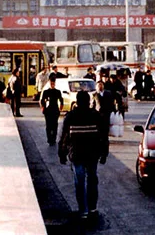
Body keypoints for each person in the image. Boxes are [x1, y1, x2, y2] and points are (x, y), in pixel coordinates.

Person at [58, 90, 109, 221]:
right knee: (92, 180)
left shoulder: (70, 116)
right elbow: (104, 137)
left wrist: (62, 153)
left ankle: (83, 210)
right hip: (92, 155)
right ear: (88, 102)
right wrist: (104, 153)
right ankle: (92, 208)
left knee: (79, 182)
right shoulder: (96, 116)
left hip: (77, 155)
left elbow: (64, 137)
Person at [40, 73, 64, 145]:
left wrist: (60, 109)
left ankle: (53, 138)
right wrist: (43, 108)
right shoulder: (46, 92)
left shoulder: (58, 91)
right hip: (48, 110)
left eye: (53, 83)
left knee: (54, 125)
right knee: (49, 125)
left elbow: (61, 100)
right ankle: (49, 138)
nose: (52, 84)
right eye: (51, 83)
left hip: (55, 110)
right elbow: (42, 100)